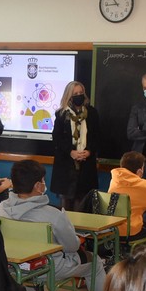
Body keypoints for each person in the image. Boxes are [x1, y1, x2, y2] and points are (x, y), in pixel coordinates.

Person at [0, 159, 107, 291]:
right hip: (49, 269)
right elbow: (72, 246)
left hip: (15, 269)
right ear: (37, 186)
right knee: (96, 263)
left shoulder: (1, 209)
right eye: (42, 180)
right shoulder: (53, 215)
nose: (44, 183)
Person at [51, 81, 100, 211]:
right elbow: (57, 139)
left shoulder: (92, 113)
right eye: (75, 94)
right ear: (69, 96)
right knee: (66, 206)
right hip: (66, 167)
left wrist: (89, 151)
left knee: (82, 204)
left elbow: (97, 136)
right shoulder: (61, 114)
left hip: (86, 166)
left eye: (81, 93)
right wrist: (71, 152)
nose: (79, 96)